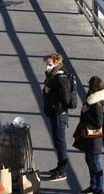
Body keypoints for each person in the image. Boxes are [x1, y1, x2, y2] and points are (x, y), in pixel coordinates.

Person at [74, 76, 104, 194]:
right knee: (90, 162)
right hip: (90, 139)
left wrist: (85, 113)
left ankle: (98, 189)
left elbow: (98, 123)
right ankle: (93, 186)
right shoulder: (92, 100)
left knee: (95, 163)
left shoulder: (95, 103)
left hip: (94, 140)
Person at [42, 53, 72, 182]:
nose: (47, 67)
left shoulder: (61, 78)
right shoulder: (54, 75)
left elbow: (66, 99)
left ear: (56, 63)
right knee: (58, 141)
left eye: (49, 64)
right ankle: (60, 166)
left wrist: (50, 92)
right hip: (55, 113)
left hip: (59, 114)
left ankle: (62, 171)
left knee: (60, 143)